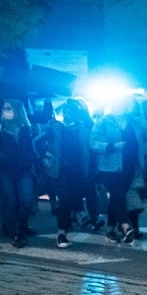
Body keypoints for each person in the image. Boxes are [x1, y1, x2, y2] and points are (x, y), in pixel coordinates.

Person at [91, 97, 143, 244]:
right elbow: (93, 142)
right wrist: (112, 146)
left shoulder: (133, 122)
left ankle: (111, 230)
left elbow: (144, 135)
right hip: (109, 167)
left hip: (129, 165)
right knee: (118, 195)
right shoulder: (103, 122)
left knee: (116, 198)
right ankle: (126, 227)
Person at [0, 99, 37, 247]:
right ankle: (15, 233)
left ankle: (19, 225)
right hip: (3, 169)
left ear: (18, 110)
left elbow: (33, 148)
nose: (5, 111)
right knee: (10, 200)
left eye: (9, 108)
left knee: (27, 201)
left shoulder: (28, 128)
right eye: (4, 108)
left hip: (23, 169)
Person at [52, 100, 94, 249]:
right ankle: (61, 233)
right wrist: (45, 159)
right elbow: (37, 142)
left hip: (77, 170)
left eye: (70, 112)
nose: (67, 115)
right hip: (61, 170)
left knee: (73, 198)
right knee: (64, 200)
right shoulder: (56, 128)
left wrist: (88, 171)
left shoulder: (83, 130)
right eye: (65, 112)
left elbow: (88, 152)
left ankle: (77, 216)